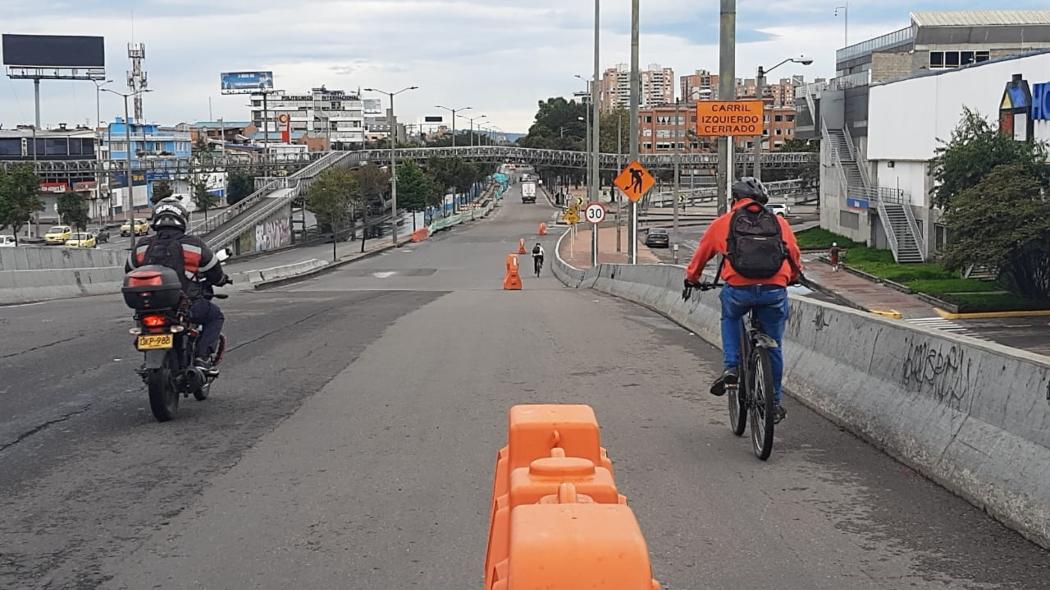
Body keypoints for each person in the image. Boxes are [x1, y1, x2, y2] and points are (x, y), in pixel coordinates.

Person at [684, 177, 802, 423]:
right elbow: (794, 256)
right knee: (774, 345)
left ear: (735, 201)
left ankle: (731, 368)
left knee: (731, 315)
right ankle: (774, 403)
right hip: (773, 290)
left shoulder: (723, 223)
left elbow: (701, 256)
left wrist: (692, 279)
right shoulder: (779, 223)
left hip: (739, 289)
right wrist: (790, 277)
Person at [126, 198, 228, 374]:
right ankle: (202, 358)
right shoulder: (193, 245)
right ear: (182, 220)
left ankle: (148, 356)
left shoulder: (142, 247)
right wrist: (222, 280)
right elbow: (214, 271)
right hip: (186, 307)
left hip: (149, 308)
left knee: (142, 322)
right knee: (215, 316)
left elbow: (129, 270)